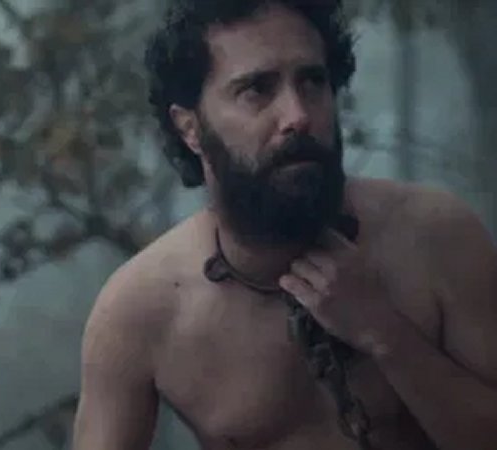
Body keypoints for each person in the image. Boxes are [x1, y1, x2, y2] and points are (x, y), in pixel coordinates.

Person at [71, 1, 497, 449]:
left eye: (312, 82)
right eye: (257, 89)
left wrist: (386, 333)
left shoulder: (434, 238)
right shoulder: (139, 309)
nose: (298, 115)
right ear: (190, 128)